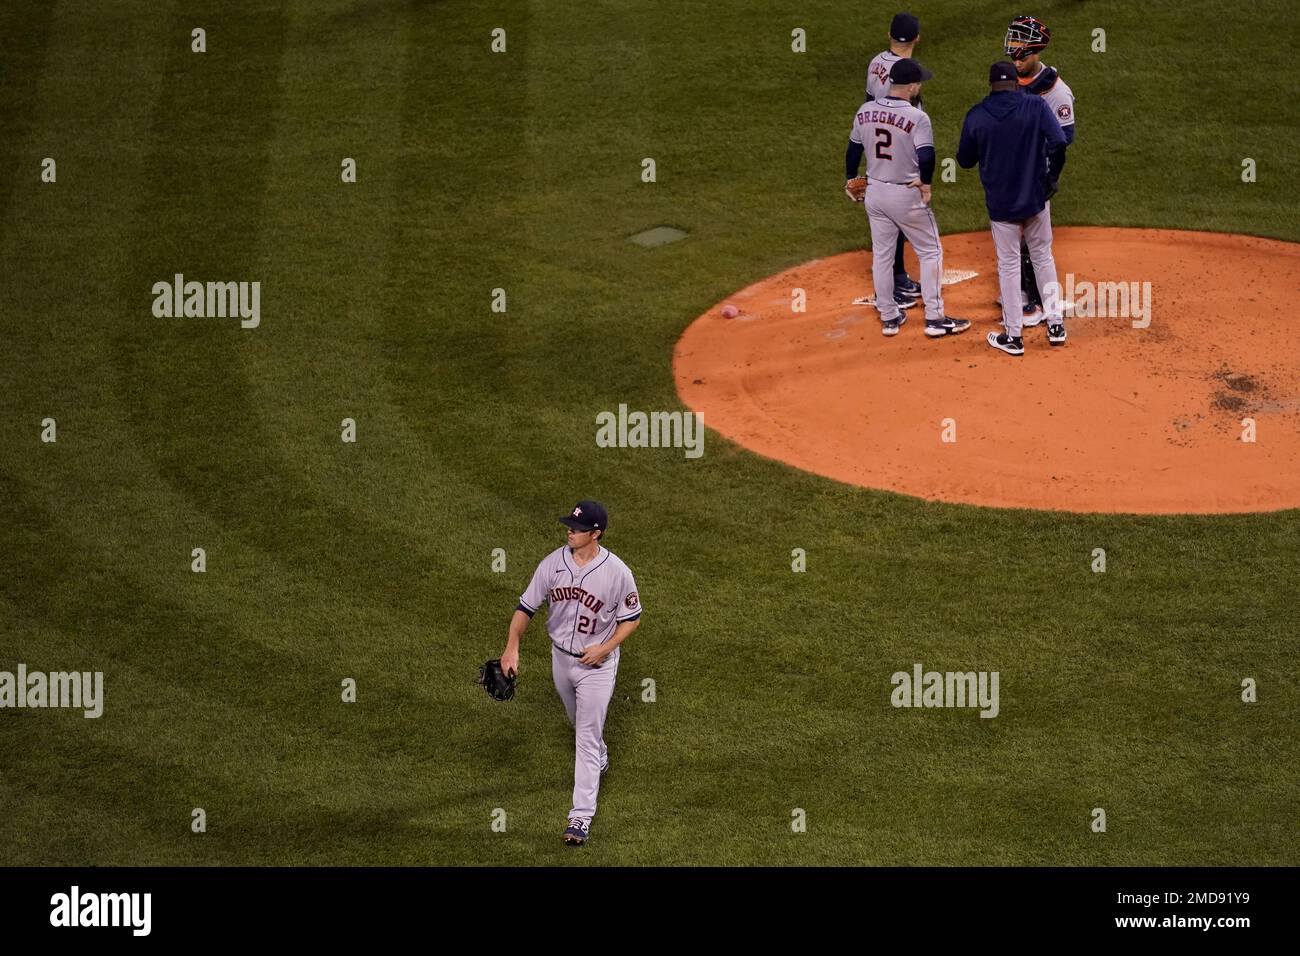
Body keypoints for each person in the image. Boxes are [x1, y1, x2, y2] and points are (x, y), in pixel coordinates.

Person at [500, 500, 642, 845]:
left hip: (598, 665)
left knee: (586, 738)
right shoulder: (552, 564)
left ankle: (580, 818)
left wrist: (604, 649)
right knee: (577, 722)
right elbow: (526, 608)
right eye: (569, 526)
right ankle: (602, 755)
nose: (570, 531)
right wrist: (512, 646)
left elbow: (632, 618)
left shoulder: (617, 572)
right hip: (560, 660)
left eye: (578, 529)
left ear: (596, 534)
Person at [847, 58, 970, 338]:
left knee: (882, 255)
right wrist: (926, 184)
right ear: (912, 86)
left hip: (874, 192)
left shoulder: (865, 110)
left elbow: (853, 149)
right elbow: (927, 155)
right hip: (905, 194)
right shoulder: (917, 116)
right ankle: (935, 318)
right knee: (931, 252)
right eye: (919, 83)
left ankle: (889, 317)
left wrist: (850, 177)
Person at [956, 61, 1068, 355]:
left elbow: (964, 161)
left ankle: (1014, 336)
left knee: (1008, 265)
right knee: (1043, 256)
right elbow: (1059, 141)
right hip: (1035, 197)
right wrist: (1051, 178)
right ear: (1017, 82)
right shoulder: (1035, 106)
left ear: (991, 85)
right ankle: (1056, 325)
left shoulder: (977, 115)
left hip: (1002, 203)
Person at [1003, 14, 1077, 325]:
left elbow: (1064, 138)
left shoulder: (1056, 92)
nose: (1015, 55)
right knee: (1021, 236)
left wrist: (1048, 176)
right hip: (1010, 170)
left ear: (1036, 51)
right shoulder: (1007, 80)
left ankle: (1031, 302)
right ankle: (1024, 298)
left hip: (1035, 174)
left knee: (1031, 238)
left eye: (1021, 49)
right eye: (1013, 45)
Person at [864, 12, 926, 310]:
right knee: (899, 213)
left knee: (888, 218)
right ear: (917, 38)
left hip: (876, 141)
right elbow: (909, 113)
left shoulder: (876, 62)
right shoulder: (906, 71)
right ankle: (894, 282)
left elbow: (867, 102)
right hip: (899, 145)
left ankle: (897, 277)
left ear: (889, 34)